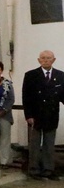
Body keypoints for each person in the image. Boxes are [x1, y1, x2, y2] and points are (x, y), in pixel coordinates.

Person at [22, 50, 64, 180]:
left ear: (54, 60)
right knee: (34, 145)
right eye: (43, 58)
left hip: (51, 115)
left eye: (48, 58)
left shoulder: (61, 75)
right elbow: (26, 97)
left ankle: (48, 169)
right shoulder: (31, 75)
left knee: (49, 145)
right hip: (35, 115)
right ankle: (34, 169)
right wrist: (28, 115)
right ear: (39, 60)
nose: (46, 60)